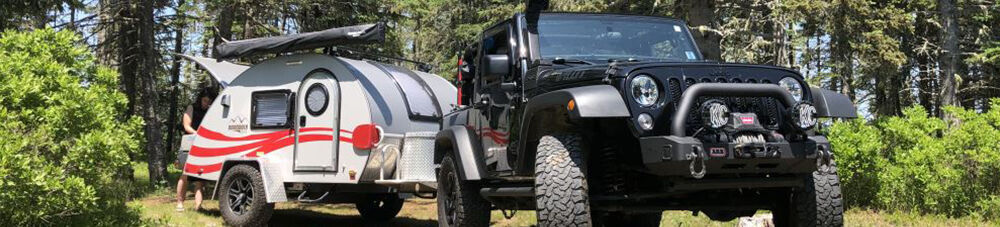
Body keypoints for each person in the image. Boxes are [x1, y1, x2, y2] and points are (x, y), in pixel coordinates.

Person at [176, 88, 215, 211]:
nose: (206, 103)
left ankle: (198, 206)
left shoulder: (209, 111)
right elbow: (186, 126)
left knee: (200, 177)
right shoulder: (191, 108)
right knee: (185, 174)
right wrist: (198, 134)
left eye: (208, 102)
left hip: (203, 145)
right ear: (200, 99)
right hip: (189, 143)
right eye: (204, 100)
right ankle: (180, 203)